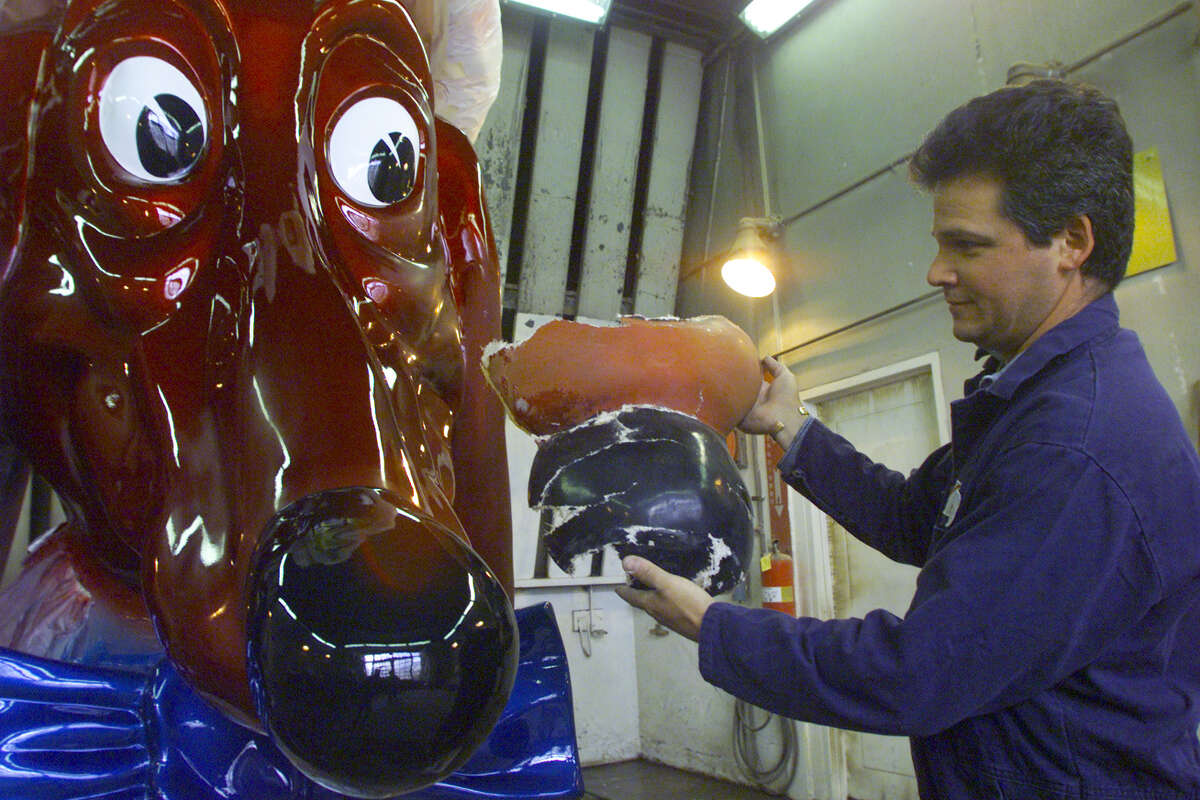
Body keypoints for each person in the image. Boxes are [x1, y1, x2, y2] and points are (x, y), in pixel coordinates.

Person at [617, 79, 1200, 798]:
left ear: (1072, 243)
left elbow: (920, 673)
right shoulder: (1030, 403)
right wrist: (792, 430)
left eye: (968, 246)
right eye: (939, 242)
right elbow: (914, 519)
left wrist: (714, 627)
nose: (937, 272)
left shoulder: (1077, 443)